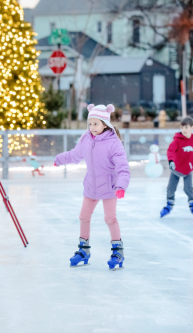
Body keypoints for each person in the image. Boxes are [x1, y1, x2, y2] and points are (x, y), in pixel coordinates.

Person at [54, 104, 130, 270]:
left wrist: (121, 185)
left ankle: (118, 252)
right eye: (90, 124)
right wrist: (60, 159)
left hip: (110, 187)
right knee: (83, 217)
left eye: (96, 124)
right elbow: (74, 155)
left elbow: (122, 167)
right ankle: (84, 251)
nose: (92, 127)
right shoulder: (86, 139)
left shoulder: (113, 143)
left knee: (110, 218)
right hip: (91, 186)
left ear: (105, 124)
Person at [160, 117, 193, 218]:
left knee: (188, 188)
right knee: (170, 188)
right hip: (176, 168)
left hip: (188, 169)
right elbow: (170, 151)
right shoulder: (177, 140)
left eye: (186, 127)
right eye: (182, 127)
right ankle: (169, 204)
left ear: (192, 128)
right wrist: (170, 161)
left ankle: (192, 205)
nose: (184, 129)